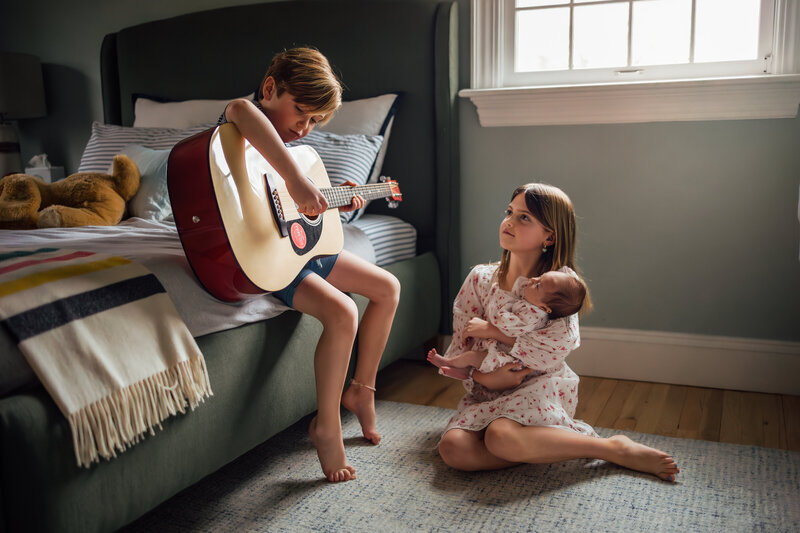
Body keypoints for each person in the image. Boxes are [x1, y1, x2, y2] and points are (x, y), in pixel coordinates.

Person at [219, 48, 400, 483]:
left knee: (388, 287)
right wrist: (298, 181)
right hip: (268, 256)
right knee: (343, 311)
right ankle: (327, 425)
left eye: (315, 121)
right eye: (300, 111)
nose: (304, 127)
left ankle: (362, 390)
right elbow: (243, 112)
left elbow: (295, 210)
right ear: (269, 88)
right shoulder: (240, 120)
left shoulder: (296, 154)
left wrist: (334, 199)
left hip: (303, 249)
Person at [434, 183, 680, 482]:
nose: (509, 221)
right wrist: (484, 377)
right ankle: (537, 447)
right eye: (509, 212)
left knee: (501, 437)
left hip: (536, 386)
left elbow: (554, 348)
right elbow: (462, 345)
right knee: (452, 449)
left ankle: (610, 448)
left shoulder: (560, 285)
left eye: (524, 218)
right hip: (485, 390)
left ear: (549, 236)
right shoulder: (480, 278)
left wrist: (499, 336)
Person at [427, 270, 587, 380]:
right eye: (539, 277)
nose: (532, 279)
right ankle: (462, 370)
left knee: (471, 357)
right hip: (502, 352)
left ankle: (449, 363)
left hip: (505, 359)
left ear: (545, 308)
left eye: (537, 285)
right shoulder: (534, 302)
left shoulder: (531, 314)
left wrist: (499, 297)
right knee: (471, 355)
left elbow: (505, 324)